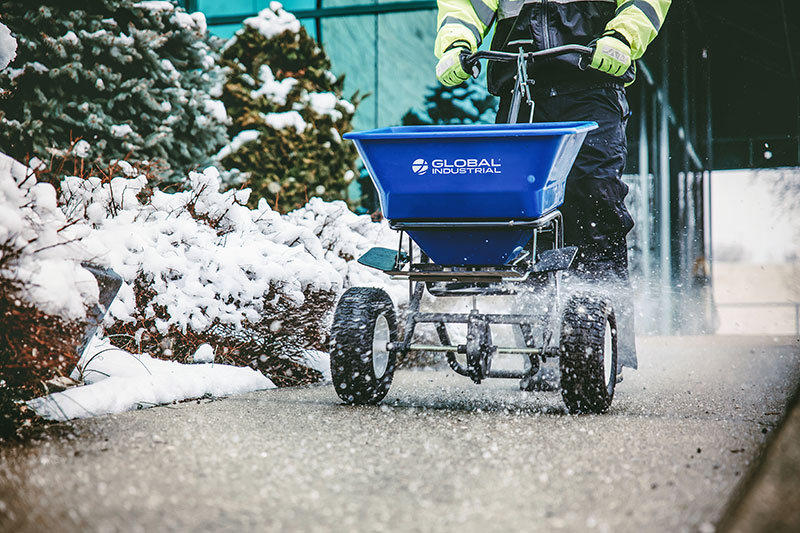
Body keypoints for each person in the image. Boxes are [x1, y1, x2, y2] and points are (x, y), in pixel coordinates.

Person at [434, 0, 671, 382]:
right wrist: (456, 43)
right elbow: (466, 6)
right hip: (520, 87)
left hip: (592, 82)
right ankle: (540, 354)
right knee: (526, 218)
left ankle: (599, 351)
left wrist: (621, 37)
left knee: (596, 204)